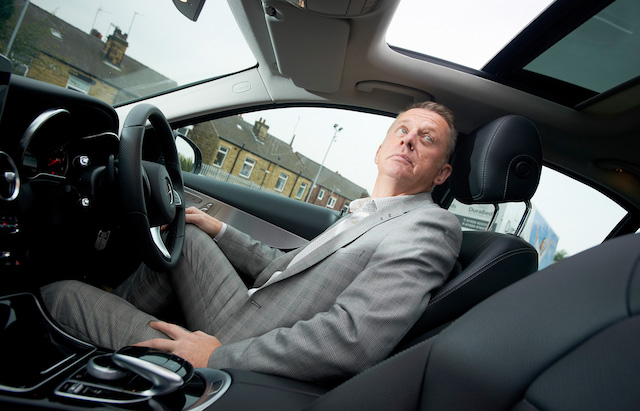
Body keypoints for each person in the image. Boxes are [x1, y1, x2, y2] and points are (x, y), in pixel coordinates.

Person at [41, 101, 462, 382]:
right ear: (379, 149)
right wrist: (220, 230)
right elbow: (281, 269)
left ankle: (96, 330)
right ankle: (117, 316)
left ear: (442, 174)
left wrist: (215, 357)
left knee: (60, 295)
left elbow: (352, 337)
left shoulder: (430, 226)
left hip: (243, 344)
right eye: (402, 129)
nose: (408, 139)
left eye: (426, 138)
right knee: (190, 237)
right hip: (252, 310)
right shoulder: (363, 214)